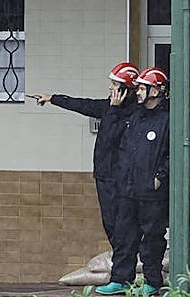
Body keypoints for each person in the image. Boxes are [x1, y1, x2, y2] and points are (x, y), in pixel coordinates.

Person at [29, 62, 140, 249]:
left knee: (123, 226)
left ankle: (128, 265)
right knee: (110, 223)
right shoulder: (109, 107)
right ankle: (122, 263)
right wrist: (52, 98)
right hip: (104, 176)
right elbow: (83, 105)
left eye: (114, 84)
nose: (110, 88)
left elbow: (110, 137)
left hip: (120, 179)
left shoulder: (133, 114)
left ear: (125, 89)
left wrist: (113, 109)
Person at [99, 66, 169, 296]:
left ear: (156, 91)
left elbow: (173, 154)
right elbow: (113, 142)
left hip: (150, 193)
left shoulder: (167, 119)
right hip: (126, 188)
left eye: (142, 88)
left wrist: (160, 176)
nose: (137, 92)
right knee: (124, 236)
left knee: (151, 238)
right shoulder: (134, 116)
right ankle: (120, 279)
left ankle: (152, 282)